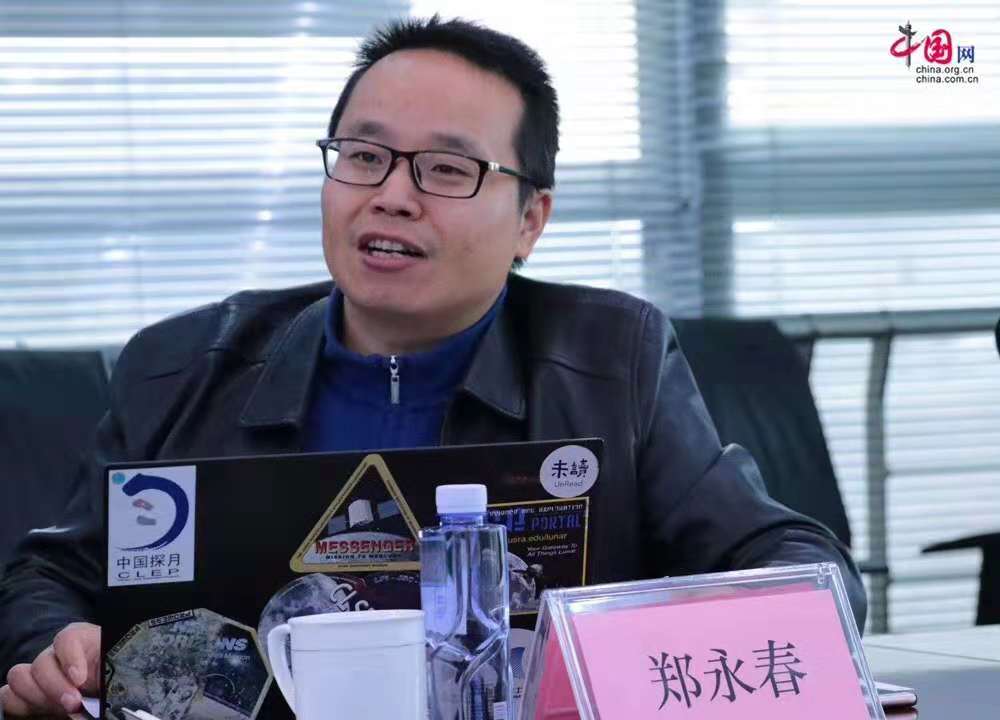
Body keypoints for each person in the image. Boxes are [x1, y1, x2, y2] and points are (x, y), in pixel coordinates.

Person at [0, 16, 867, 717]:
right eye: (364, 156)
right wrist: (55, 650)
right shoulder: (181, 367)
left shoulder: (613, 357)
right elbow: (48, 577)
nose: (392, 195)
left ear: (530, 220)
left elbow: (798, 567)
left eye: (446, 169)